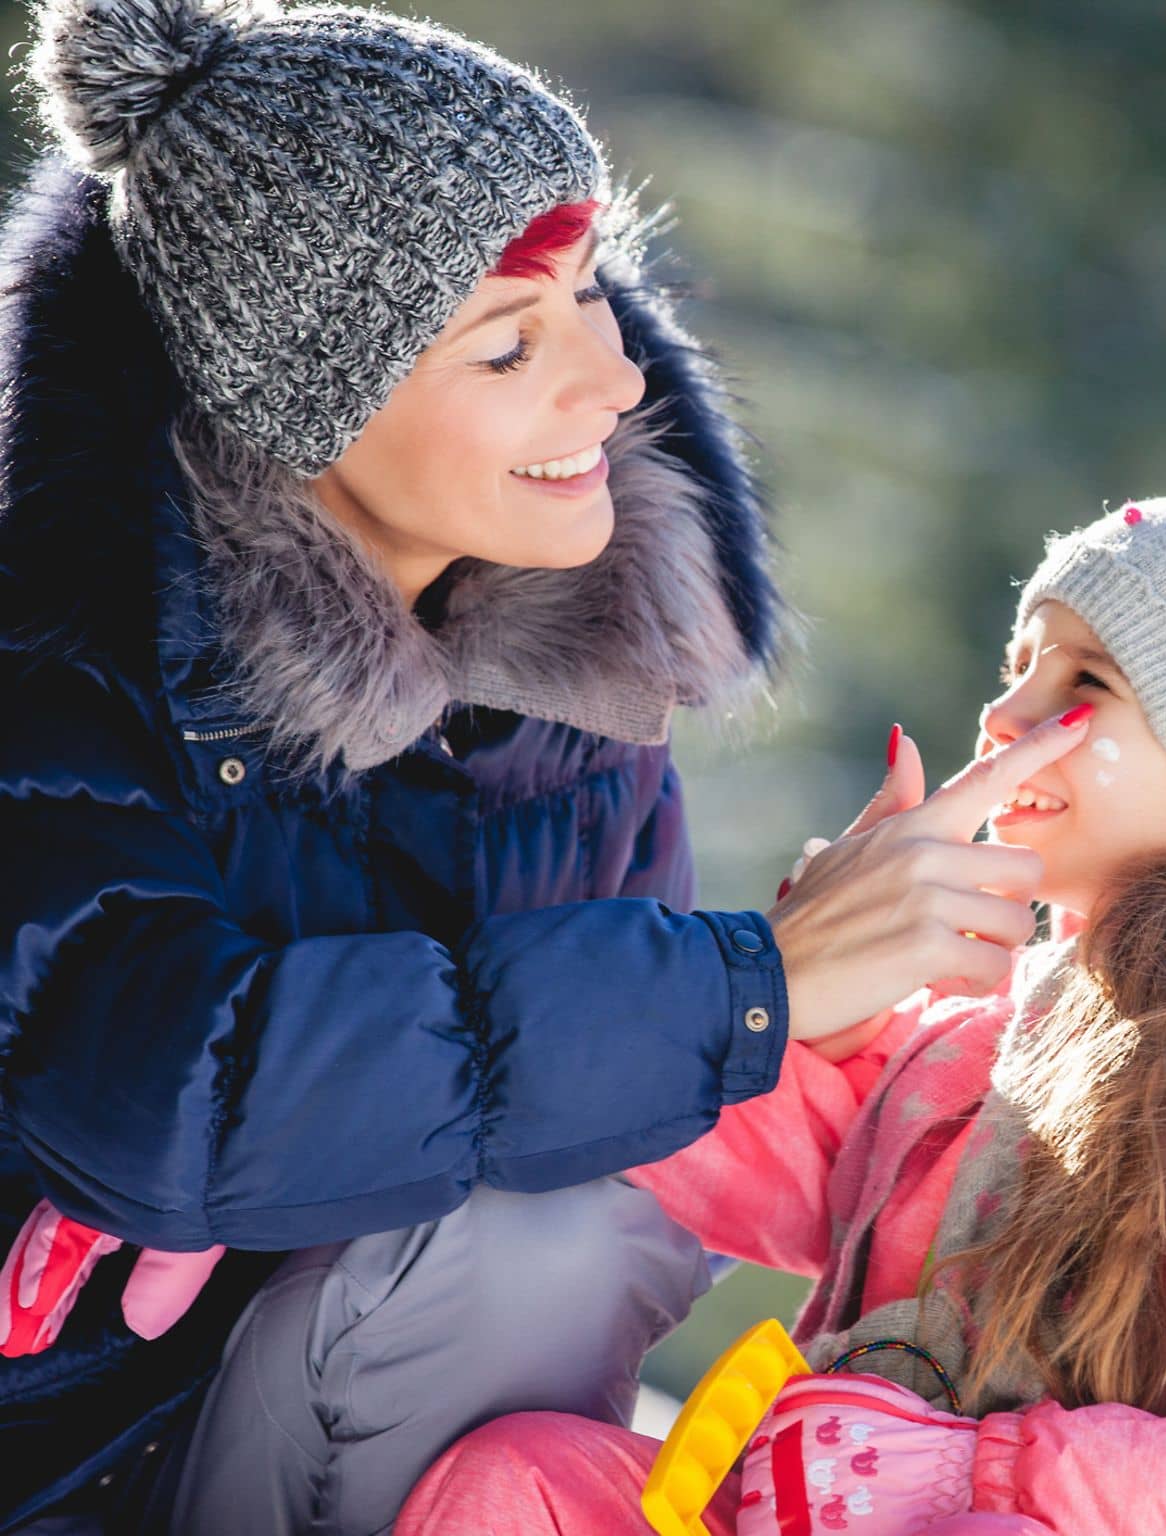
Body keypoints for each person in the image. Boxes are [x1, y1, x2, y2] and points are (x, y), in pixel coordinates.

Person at [0, 2, 1080, 1531]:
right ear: (293, 408)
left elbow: (620, 1146)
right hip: (77, 1463)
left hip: (333, 1410)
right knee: (537, 1246)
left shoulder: (559, 683)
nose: (617, 382)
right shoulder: (58, 673)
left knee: (574, 1228)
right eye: (512, 343)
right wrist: (741, 985)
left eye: (592, 299)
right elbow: (164, 1097)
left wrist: (841, 1029)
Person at [398, 493, 1166, 1535]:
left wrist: (978, 1479)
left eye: (1082, 684)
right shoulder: (992, 1033)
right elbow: (753, 1172)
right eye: (1018, 669)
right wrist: (796, 990)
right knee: (528, 1481)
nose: (1004, 714)